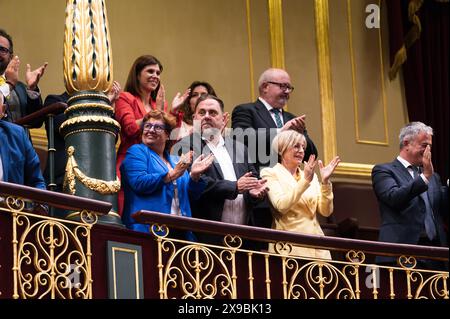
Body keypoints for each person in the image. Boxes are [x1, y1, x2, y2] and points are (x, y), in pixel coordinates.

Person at [173, 94, 269, 246]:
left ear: (224, 119)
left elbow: (252, 181)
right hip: (207, 238)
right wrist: (235, 187)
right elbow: (199, 184)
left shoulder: (240, 148)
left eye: (212, 112)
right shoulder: (185, 146)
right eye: (202, 112)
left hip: (243, 239)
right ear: (194, 118)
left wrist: (254, 193)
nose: (206, 117)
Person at [120, 110, 214, 240]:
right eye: (147, 126)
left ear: (167, 134)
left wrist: (194, 176)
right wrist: (172, 174)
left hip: (181, 232)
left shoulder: (175, 160)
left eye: (157, 127)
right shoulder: (137, 151)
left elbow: (191, 196)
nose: (151, 130)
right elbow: (139, 182)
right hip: (148, 229)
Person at [114, 55, 188, 216]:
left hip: (157, 166)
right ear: (137, 74)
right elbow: (130, 129)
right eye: (150, 71)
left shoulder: (159, 103)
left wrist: (174, 112)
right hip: (131, 163)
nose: (155, 75)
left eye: (158, 72)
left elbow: (170, 139)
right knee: (129, 213)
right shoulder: (125, 98)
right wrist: (158, 113)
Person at [372, 122, 448, 269]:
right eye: (424, 145)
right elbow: (393, 197)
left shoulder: (433, 176)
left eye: (430, 146)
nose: (428, 150)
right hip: (402, 252)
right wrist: (424, 177)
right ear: (406, 143)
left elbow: (442, 211)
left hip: (436, 254)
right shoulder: (383, 171)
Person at [260, 130, 340, 260]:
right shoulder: (270, 173)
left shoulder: (310, 176)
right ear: (281, 149)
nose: (301, 151)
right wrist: (305, 181)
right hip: (288, 247)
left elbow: (325, 211)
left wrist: (325, 183)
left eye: (303, 147)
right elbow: (281, 205)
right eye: (296, 146)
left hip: (317, 247)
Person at [231, 68, 318, 172]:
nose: (287, 91)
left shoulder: (291, 119)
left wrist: (301, 136)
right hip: (260, 181)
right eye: (283, 86)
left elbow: (311, 156)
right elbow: (241, 138)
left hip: (291, 183)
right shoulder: (246, 110)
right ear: (265, 87)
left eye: (289, 88)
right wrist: (280, 132)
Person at [39, 81, 121, 192]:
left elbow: (112, 138)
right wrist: (102, 106)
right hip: (61, 178)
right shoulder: (55, 101)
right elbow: (63, 127)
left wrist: (106, 105)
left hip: (97, 177)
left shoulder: (104, 104)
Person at [0, 29, 47, 124]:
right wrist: (8, 85)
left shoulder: (20, 88)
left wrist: (32, 89)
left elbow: (36, 122)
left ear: (11, 57)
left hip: (19, 138)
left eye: (2, 50)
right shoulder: (11, 83)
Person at [0, 92, 45, 190]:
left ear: (2, 111)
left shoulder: (17, 135)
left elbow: (36, 181)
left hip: (9, 204)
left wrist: (41, 205)